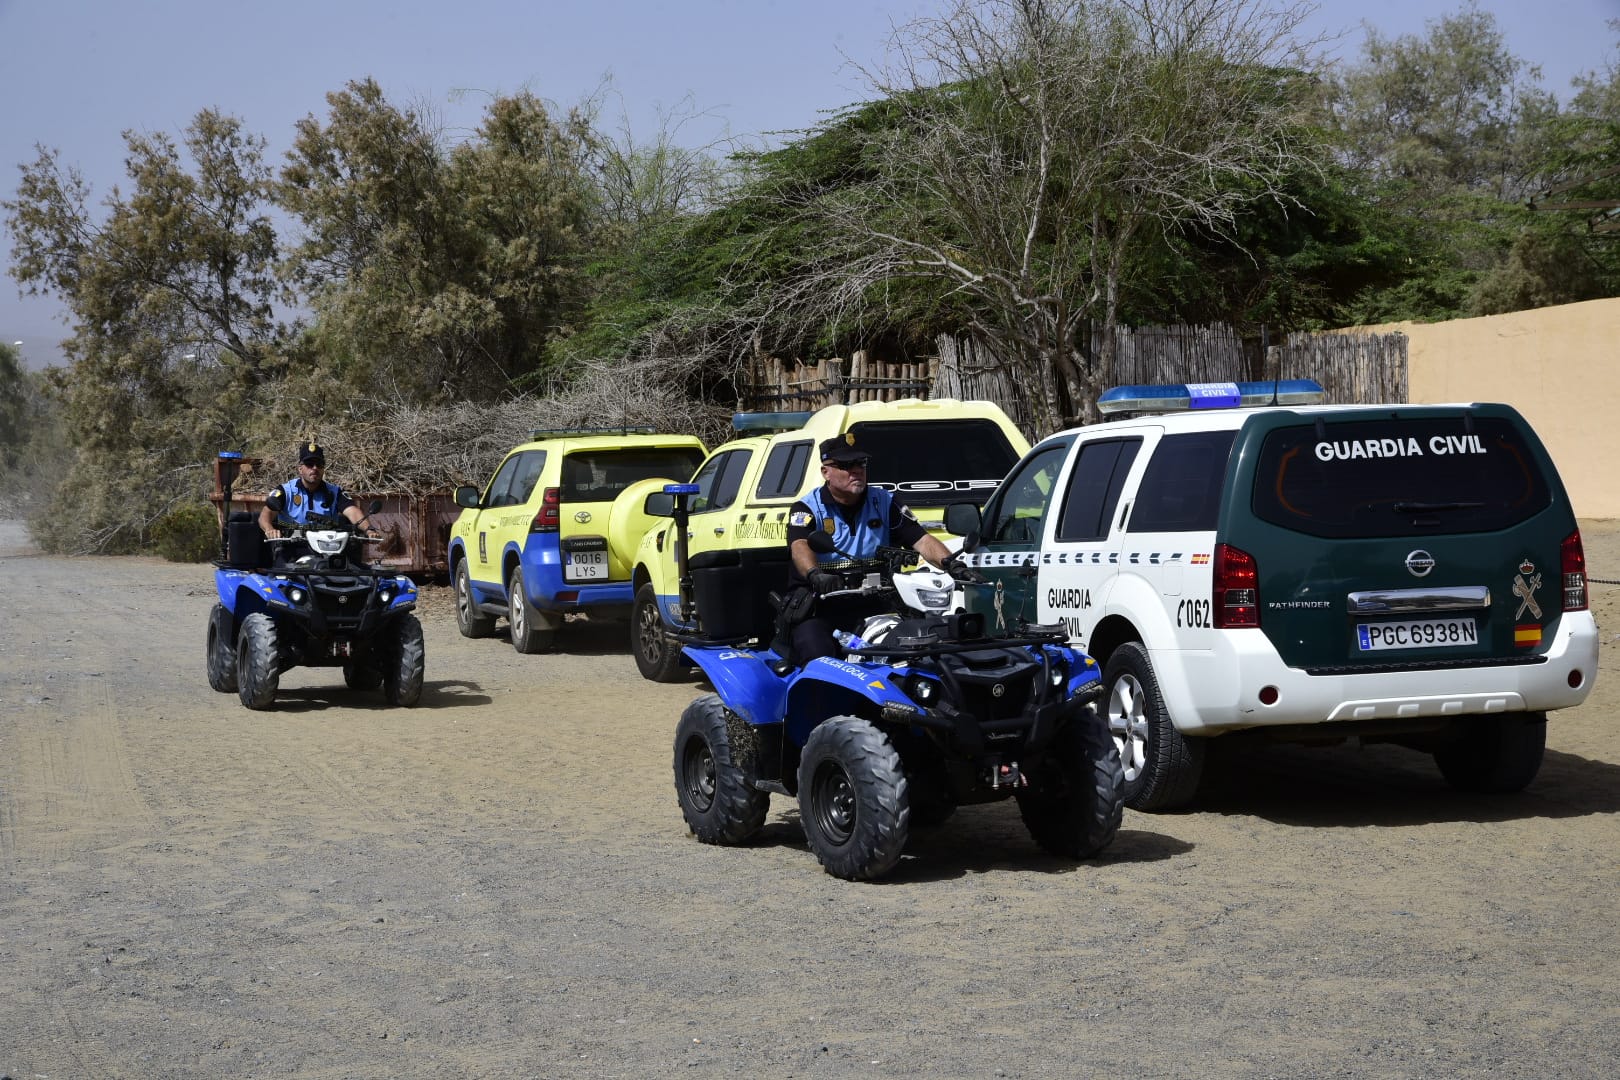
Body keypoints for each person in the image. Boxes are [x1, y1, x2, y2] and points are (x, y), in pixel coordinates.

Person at [783, 432, 959, 663]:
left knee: (922, 649)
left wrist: (953, 564)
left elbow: (921, 539)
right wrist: (815, 574)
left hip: (876, 605)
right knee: (820, 657)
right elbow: (800, 545)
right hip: (822, 608)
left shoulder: (885, 501)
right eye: (846, 465)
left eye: (861, 463)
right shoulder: (807, 507)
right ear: (826, 471)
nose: (856, 470)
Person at [259, 441, 374, 540]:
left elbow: (353, 512)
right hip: (291, 549)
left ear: (323, 469)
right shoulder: (285, 491)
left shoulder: (335, 492)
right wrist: (269, 529)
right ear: (300, 469)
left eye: (319, 464)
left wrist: (369, 530)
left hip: (327, 548)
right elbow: (265, 514)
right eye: (309, 464)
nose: (314, 468)